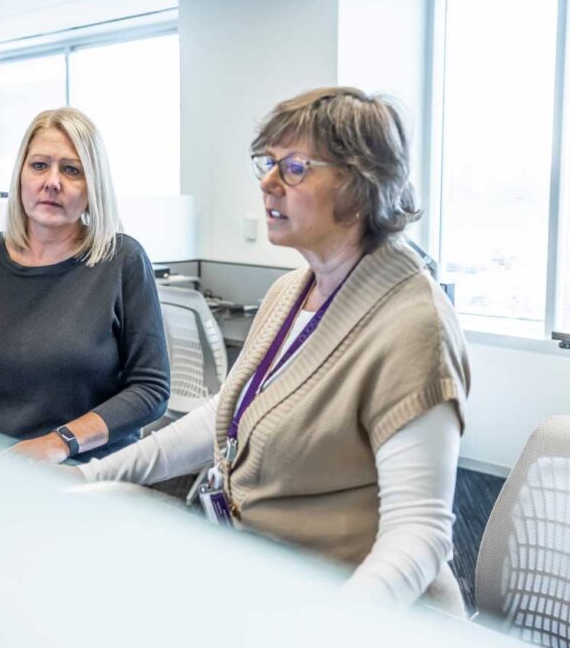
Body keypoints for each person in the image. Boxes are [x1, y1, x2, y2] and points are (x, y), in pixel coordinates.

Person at [76, 88, 470, 611]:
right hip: (265, 571)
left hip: (366, 616)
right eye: (267, 163)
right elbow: (228, 414)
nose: (267, 182)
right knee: (95, 517)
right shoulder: (293, 290)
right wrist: (90, 473)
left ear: (359, 183)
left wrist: (328, 637)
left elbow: (417, 536)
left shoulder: (413, 324)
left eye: (295, 167)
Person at [0, 107, 169, 462]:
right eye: (40, 165)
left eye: (71, 170)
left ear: (93, 187)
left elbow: (151, 389)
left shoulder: (122, 260)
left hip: (85, 469)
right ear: (20, 176)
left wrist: (60, 442)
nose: (52, 182)